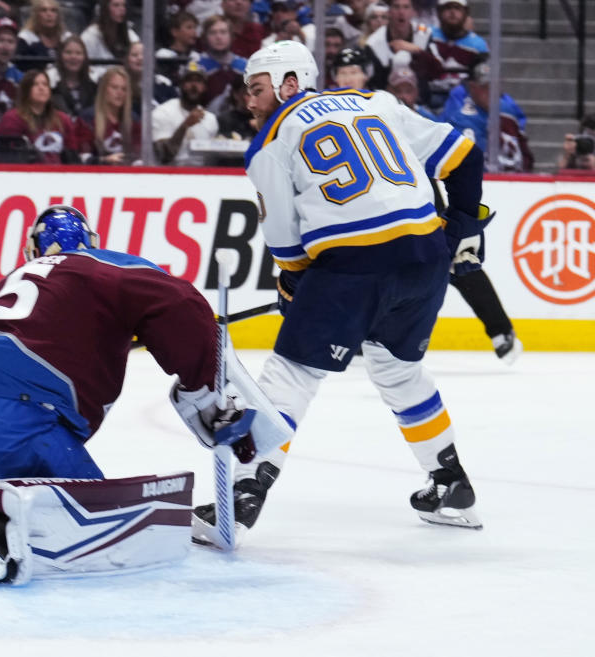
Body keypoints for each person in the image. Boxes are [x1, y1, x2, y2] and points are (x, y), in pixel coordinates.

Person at [197, 40, 492, 540]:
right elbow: (465, 156)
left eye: (257, 88)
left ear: (291, 82)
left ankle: (246, 493)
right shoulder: (375, 101)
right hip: (424, 259)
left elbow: (288, 247)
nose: (250, 100)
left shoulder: (270, 142)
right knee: (398, 369)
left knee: (291, 372)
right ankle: (450, 481)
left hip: (355, 264)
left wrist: (296, 286)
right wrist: (459, 227)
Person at [0, 205, 228, 581]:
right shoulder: (99, 266)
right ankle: (7, 529)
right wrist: (203, 388)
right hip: (5, 422)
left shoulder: (19, 278)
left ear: (33, 249)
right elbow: (178, 300)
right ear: (90, 243)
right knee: (99, 521)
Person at [439, 60, 533, 173]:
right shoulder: (461, 120)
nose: (492, 92)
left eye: (496, 86)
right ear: (472, 87)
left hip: (516, 182)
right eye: (486, 87)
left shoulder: (508, 111)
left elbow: (525, 152)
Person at [0, 69, 81, 164]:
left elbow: (72, 157)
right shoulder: (12, 118)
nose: (41, 88)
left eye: (45, 84)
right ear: (26, 90)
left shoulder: (63, 119)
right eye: (35, 84)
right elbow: (8, 158)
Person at [152, 61, 218, 166]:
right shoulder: (163, 112)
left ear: (205, 87)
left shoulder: (211, 119)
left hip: (203, 177)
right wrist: (185, 125)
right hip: (170, 177)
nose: (194, 86)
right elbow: (163, 155)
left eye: (199, 81)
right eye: (189, 81)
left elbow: (212, 161)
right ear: (181, 84)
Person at [426, 0, 488, 111]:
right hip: (429, 98)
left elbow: (481, 81)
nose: (453, 12)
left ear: (466, 13)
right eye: (448, 8)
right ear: (439, 12)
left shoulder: (478, 45)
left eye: (457, 8)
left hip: (463, 102)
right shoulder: (428, 35)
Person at [364, 0, 433, 96]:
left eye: (406, 7)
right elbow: (373, 82)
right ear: (389, 12)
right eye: (396, 7)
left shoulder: (425, 33)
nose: (401, 12)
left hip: (420, 98)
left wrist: (417, 51)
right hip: (386, 98)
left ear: (413, 12)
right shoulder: (374, 42)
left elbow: (437, 72)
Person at [78, 65, 139, 165]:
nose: (119, 93)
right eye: (114, 87)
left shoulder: (134, 120)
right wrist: (105, 160)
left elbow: (139, 155)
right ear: (104, 90)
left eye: (124, 89)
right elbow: (83, 159)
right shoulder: (87, 118)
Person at [196, 15, 247, 113]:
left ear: (231, 36)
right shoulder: (197, 64)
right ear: (205, 37)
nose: (218, 37)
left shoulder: (245, 65)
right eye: (213, 33)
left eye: (223, 32)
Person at [80, 0, 138, 76]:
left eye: (123, 5)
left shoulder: (130, 35)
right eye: (116, 5)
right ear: (105, 9)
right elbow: (85, 67)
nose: (122, 9)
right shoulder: (91, 35)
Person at [48, 34, 95, 118]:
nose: (73, 57)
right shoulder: (50, 81)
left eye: (78, 53)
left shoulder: (94, 84)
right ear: (60, 56)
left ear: (85, 57)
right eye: (68, 52)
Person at [16, 0, 70, 72]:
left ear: (58, 15)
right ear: (36, 15)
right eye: (44, 10)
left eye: (53, 10)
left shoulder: (67, 39)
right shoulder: (26, 39)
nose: (49, 14)